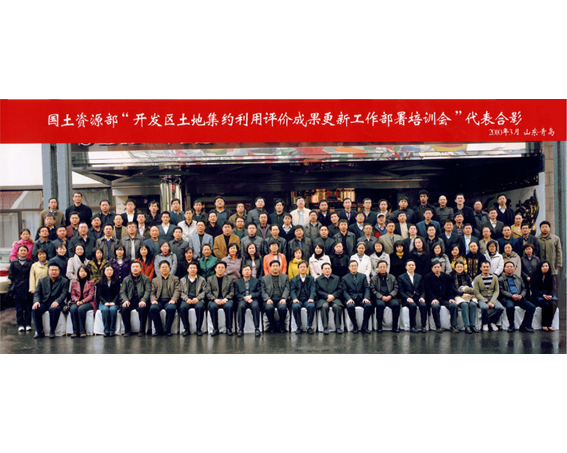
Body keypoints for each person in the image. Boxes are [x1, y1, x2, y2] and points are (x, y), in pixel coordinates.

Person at [32, 264, 68, 338]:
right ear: (48, 271)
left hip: (57, 303)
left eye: (55, 270)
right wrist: (36, 301)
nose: (53, 272)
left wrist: (57, 301)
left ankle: (52, 331)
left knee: (54, 309)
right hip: (45, 302)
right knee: (35, 309)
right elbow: (37, 293)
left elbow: (64, 294)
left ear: (59, 271)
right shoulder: (42, 280)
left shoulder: (64, 281)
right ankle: (39, 331)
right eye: (52, 270)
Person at [499, 261, 536, 332]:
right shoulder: (501, 279)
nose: (509, 268)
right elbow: (502, 291)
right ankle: (511, 325)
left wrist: (521, 296)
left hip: (519, 297)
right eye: (507, 267)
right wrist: (512, 296)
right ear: (504, 268)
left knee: (532, 307)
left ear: (514, 268)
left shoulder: (518, 278)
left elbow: (524, 289)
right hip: (508, 298)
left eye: (511, 267)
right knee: (510, 307)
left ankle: (525, 325)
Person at [424, 260, 459, 333]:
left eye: (438, 267)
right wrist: (433, 299)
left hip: (444, 298)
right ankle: (438, 326)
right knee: (435, 306)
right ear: (432, 268)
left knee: (453, 305)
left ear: (441, 267)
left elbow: (450, 289)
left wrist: (451, 298)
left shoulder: (446, 276)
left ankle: (453, 326)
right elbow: (428, 290)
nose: (437, 269)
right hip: (434, 299)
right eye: (435, 267)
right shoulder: (427, 277)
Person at [120, 261, 152, 337]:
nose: (135, 268)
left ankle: (142, 331)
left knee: (143, 308)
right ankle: (127, 331)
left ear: (140, 268)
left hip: (141, 300)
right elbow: (122, 291)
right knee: (124, 308)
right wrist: (125, 300)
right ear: (131, 269)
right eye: (133, 267)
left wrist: (143, 300)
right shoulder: (126, 279)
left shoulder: (146, 279)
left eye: (137, 267)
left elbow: (148, 291)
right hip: (130, 300)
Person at [150, 261, 181, 336]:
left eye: (166, 267)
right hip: (159, 301)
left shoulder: (175, 279)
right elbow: (152, 292)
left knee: (171, 308)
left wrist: (173, 299)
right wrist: (153, 300)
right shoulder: (155, 280)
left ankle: (167, 330)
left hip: (170, 300)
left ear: (169, 268)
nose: (164, 269)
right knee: (153, 308)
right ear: (159, 269)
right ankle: (159, 330)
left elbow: (177, 290)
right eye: (162, 267)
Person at [342, 260, 372, 334]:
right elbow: (344, 291)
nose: (353, 267)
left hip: (361, 298)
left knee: (368, 305)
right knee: (350, 306)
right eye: (352, 266)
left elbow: (366, 288)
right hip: (351, 299)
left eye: (355, 266)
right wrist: (349, 299)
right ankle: (354, 325)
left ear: (357, 267)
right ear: (349, 267)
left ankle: (364, 326)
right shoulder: (344, 278)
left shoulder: (363, 276)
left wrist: (366, 297)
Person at [398, 259, 428, 333]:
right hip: (407, 298)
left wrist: (422, 297)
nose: (411, 266)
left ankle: (423, 326)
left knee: (423, 305)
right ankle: (413, 326)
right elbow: (401, 291)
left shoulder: (419, 277)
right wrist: (407, 298)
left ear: (415, 267)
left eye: (412, 265)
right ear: (406, 267)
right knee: (413, 306)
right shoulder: (401, 277)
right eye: (409, 265)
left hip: (417, 297)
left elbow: (423, 289)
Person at [473, 261, 504, 332]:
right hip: (482, 298)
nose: (485, 268)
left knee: (500, 308)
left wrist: (492, 301)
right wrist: (486, 301)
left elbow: (496, 291)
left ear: (490, 268)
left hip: (492, 298)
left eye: (487, 267)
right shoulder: (477, 278)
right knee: (484, 307)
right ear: (480, 268)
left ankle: (492, 322)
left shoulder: (495, 277)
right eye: (484, 267)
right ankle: (485, 323)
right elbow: (476, 292)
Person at [206, 261, 235, 336]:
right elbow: (208, 292)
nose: (220, 269)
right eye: (218, 267)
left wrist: (226, 299)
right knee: (212, 307)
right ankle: (215, 328)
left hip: (226, 299)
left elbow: (232, 292)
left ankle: (229, 328)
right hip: (214, 300)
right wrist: (215, 299)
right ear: (215, 269)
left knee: (229, 306)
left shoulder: (229, 279)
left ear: (225, 269)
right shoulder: (210, 279)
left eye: (222, 267)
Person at [8, 245, 33, 332]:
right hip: (17, 288)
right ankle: (20, 324)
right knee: (19, 308)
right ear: (18, 252)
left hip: (28, 287)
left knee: (28, 307)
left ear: (27, 252)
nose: (23, 252)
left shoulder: (30, 263)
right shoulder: (14, 263)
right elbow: (11, 276)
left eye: (24, 250)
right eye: (21, 250)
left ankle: (28, 324)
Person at [371, 260, 400, 333]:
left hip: (390, 297)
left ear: (387, 268)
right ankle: (379, 327)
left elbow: (396, 288)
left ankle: (395, 327)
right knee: (380, 305)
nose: (382, 268)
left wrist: (390, 295)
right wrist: (381, 297)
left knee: (396, 305)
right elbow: (372, 290)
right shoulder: (374, 278)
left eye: (384, 267)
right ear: (377, 268)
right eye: (380, 267)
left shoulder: (392, 277)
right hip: (379, 298)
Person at [261, 260, 290, 333]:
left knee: (283, 308)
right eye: (273, 266)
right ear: (270, 268)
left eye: (277, 266)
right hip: (270, 299)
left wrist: (284, 298)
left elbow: (287, 288)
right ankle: (272, 325)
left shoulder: (285, 277)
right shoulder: (264, 278)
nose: (275, 267)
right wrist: (267, 299)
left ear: (280, 267)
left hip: (281, 298)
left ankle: (282, 325)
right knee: (269, 308)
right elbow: (262, 291)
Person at [179, 262, 207, 336]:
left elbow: (204, 291)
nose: (192, 269)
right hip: (187, 299)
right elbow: (181, 292)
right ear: (187, 269)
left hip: (198, 299)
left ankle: (199, 329)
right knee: (182, 307)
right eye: (191, 268)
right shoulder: (182, 280)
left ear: (197, 269)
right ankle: (186, 329)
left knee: (200, 307)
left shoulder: (202, 279)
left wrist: (198, 298)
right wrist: (186, 299)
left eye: (194, 268)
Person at [315, 262, 344, 334]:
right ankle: (325, 327)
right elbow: (318, 291)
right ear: (322, 270)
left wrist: (333, 296)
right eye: (325, 269)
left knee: (337, 307)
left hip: (335, 298)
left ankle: (338, 327)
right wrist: (326, 296)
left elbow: (340, 289)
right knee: (324, 306)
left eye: (329, 268)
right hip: (323, 299)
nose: (327, 270)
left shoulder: (336, 278)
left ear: (331, 269)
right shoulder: (318, 279)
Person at [233, 264, 262, 337]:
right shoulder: (237, 282)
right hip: (242, 300)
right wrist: (244, 298)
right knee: (241, 306)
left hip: (253, 300)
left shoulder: (256, 281)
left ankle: (257, 328)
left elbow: (259, 292)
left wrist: (251, 296)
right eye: (245, 270)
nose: (247, 272)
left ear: (251, 271)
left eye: (248, 270)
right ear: (242, 272)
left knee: (255, 306)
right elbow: (236, 294)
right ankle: (240, 329)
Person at [290, 260, 317, 334]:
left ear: (307, 268)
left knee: (311, 306)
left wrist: (311, 298)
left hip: (308, 299)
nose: (302, 268)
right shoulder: (294, 279)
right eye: (301, 267)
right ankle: (299, 326)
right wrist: (294, 298)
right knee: (295, 306)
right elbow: (292, 291)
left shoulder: (311, 279)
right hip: (298, 299)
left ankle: (309, 326)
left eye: (304, 267)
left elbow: (313, 289)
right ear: (298, 269)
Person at [537, 220, 563, 297]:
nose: (544, 228)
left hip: (552, 264)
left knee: (553, 284)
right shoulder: (537, 239)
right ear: (540, 229)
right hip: (541, 266)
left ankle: (554, 299)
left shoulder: (555, 239)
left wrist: (558, 264)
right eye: (542, 227)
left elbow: (559, 252)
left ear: (549, 228)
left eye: (546, 227)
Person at [68, 265, 95, 338]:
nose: (83, 273)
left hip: (88, 302)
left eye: (85, 271)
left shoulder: (91, 282)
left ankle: (82, 331)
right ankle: (75, 331)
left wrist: (82, 302)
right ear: (78, 273)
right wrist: (77, 301)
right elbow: (72, 295)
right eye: (81, 271)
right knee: (73, 308)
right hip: (76, 302)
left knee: (81, 309)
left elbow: (91, 295)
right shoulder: (74, 282)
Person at [451, 261, 478, 334]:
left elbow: (470, 287)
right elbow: (452, 288)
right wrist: (462, 294)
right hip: (457, 295)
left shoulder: (466, 276)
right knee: (464, 305)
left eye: (461, 267)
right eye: (458, 267)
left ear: (463, 268)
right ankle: (467, 326)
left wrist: (469, 293)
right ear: (455, 268)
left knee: (473, 304)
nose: (459, 268)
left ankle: (473, 325)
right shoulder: (451, 276)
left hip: (467, 295)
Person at [532, 261, 557, 331]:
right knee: (545, 305)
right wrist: (543, 295)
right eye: (543, 266)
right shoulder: (534, 276)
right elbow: (533, 289)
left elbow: (552, 288)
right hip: (538, 296)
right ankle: (544, 324)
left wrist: (550, 295)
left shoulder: (550, 276)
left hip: (547, 295)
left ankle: (549, 324)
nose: (545, 268)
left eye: (546, 266)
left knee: (553, 304)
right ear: (540, 267)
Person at [97, 264, 120, 336]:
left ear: (113, 271)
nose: (109, 272)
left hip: (114, 302)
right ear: (104, 272)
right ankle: (106, 330)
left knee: (113, 310)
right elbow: (99, 295)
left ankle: (112, 330)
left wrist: (114, 302)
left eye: (110, 270)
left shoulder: (117, 281)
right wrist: (104, 302)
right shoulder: (100, 282)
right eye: (107, 270)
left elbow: (118, 293)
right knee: (105, 310)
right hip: (103, 302)